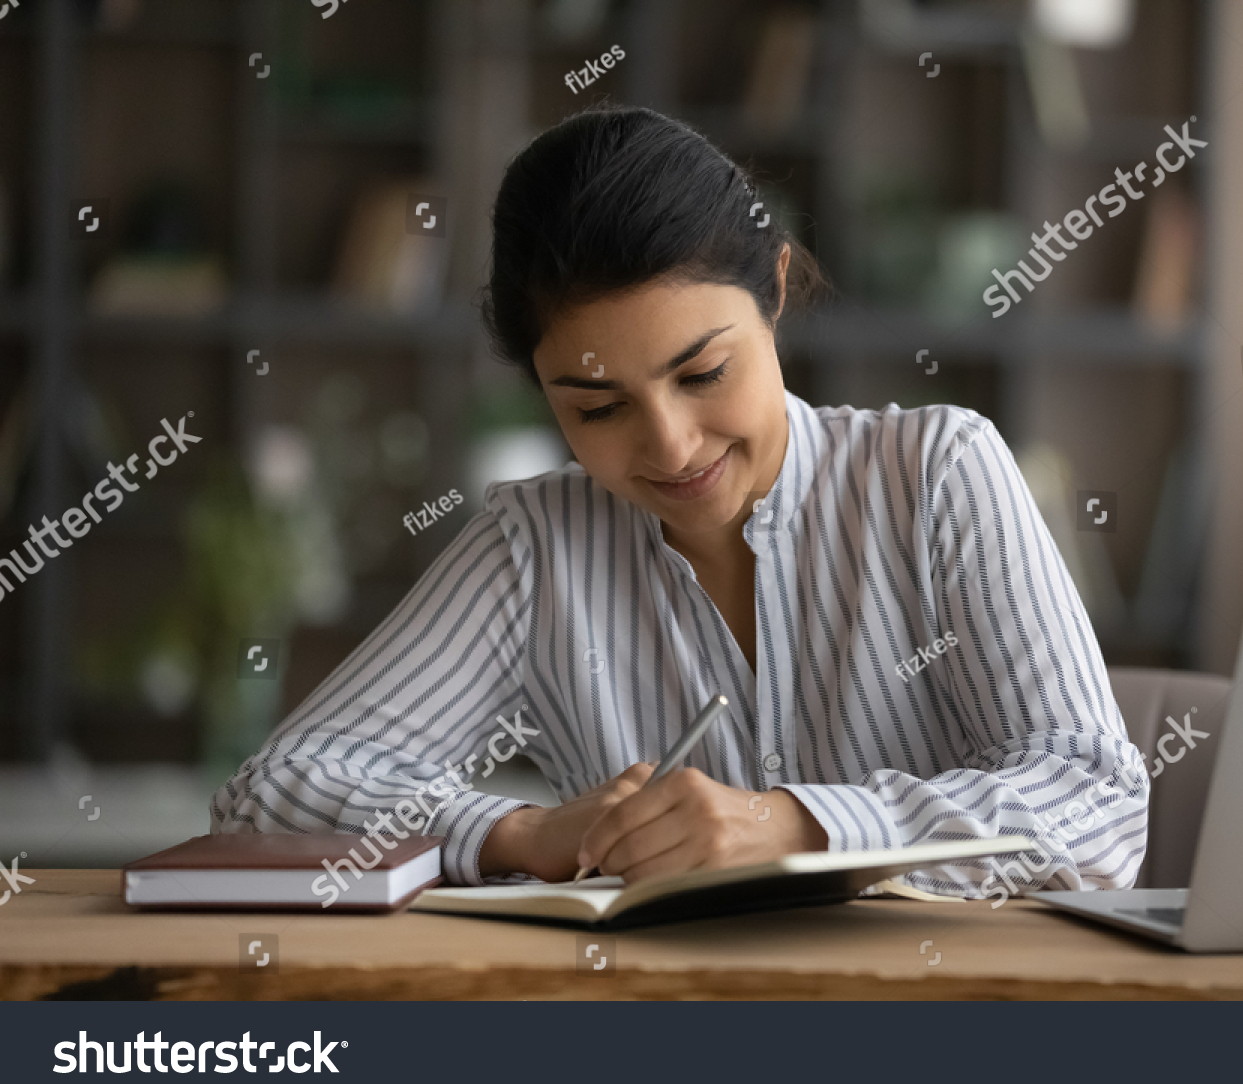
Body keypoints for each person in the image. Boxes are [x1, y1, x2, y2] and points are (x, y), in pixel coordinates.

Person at [211, 105, 1148, 897]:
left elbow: (1100, 807)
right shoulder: (535, 546)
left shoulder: (937, 474)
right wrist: (522, 835)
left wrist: (794, 826)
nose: (668, 445)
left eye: (702, 372)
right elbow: (276, 792)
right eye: (599, 405)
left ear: (774, 290)